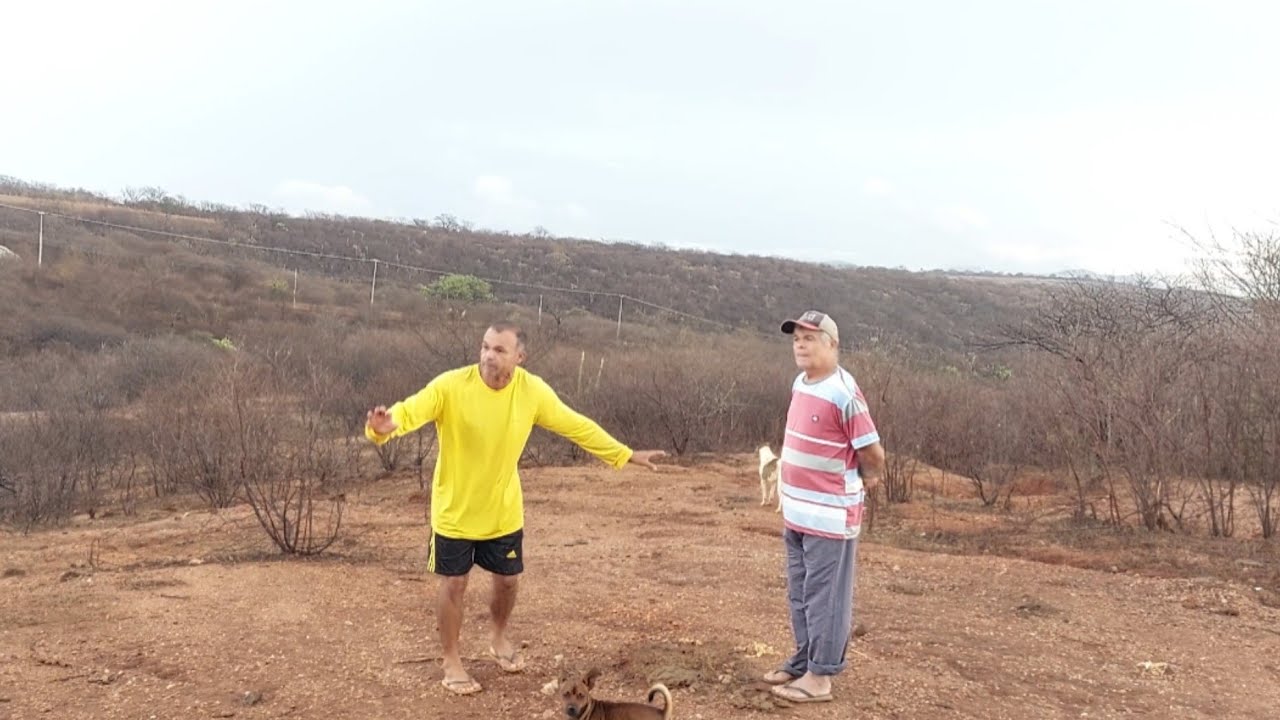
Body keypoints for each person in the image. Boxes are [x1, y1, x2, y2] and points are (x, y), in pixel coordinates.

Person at [365, 320, 666, 696]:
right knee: (454, 583)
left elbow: (576, 425)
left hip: (503, 509)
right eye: (485, 346)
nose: (488, 355)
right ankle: (451, 660)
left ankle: (498, 637)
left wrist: (625, 454)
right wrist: (382, 427)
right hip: (454, 511)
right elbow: (409, 411)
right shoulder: (450, 386)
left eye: (499, 350)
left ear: (519, 356)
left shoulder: (531, 392)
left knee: (508, 581)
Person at [762, 310, 886, 704]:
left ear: (832, 344)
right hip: (797, 512)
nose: (800, 345)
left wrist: (867, 479)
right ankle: (804, 659)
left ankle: (820, 676)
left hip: (830, 516)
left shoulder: (844, 392)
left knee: (826, 597)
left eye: (810, 338)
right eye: (796, 338)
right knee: (800, 592)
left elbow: (872, 452)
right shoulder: (801, 383)